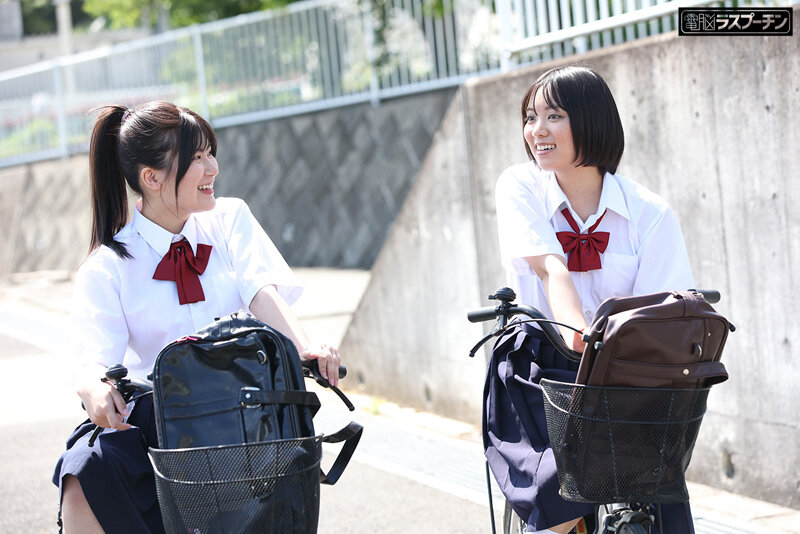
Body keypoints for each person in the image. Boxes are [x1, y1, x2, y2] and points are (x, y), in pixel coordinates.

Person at [51, 101, 341, 534]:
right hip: (159, 425)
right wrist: (94, 388)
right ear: (152, 178)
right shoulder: (108, 266)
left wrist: (305, 348)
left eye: (211, 153)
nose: (213, 168)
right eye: (198, 157)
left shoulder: (230, 219)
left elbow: (261, 291)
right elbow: (92, 358)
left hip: (241, 410)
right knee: (85, 472)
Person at [484, 65, 696, 533]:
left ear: (591, 119)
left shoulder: (650, 212)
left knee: (658, 492)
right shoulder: (520, 186)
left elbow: (664, 312)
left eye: (554, 116)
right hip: (542, 369)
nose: (537, 131)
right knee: (560, 499)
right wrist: (579, 330)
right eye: (530, 118)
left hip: (627, 373)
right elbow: (551, 267)